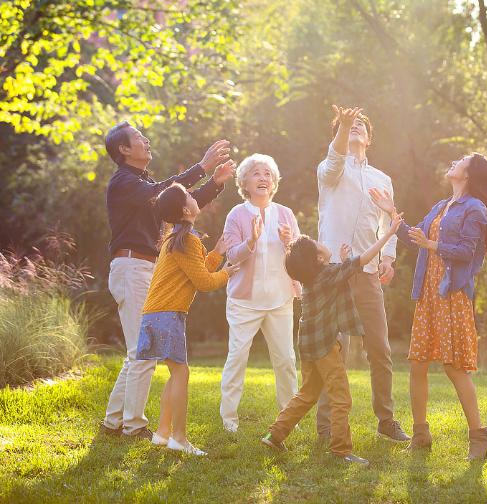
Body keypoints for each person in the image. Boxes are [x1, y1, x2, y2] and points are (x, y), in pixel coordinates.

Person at [101, 121, 235, 439]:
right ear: (123, 149)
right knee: (142, 351)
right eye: (138, 138)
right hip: (132, 268)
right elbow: (166, 194)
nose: (146, 141)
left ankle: (113, 421)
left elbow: (178, 208)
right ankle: (133, 426)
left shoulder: (141, 184)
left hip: (143, 269)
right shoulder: (124, 182)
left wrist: (213, 183)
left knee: (137, 351)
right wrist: (201, 166)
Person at [369, 152, 487, 460]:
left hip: (451, 295)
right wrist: (391, 212)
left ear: (469, 174)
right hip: (428, 295)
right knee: (417, 364)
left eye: (461, 161)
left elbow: (468, 252)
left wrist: (433, 246)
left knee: (454, 368)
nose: (454, 162)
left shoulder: (476, 209)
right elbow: (412, 237)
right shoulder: (441, 207)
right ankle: (421, 434)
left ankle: (479, 439)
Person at [260, 210, 403, 466]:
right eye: (317, 243)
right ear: (317, 257)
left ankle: (274, 434)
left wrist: (346, 259)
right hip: (325, 346)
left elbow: (341, 271)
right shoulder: (325, 275)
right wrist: (389, 234)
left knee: (307, 393)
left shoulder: (317, 276)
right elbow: (362, 260)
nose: (321, 243)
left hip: (308, 345)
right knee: (341, 396)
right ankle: (341, 450)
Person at [316, 106, 409, 442]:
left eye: (359, 126)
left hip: (368, 272)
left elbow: (388, 221)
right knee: (333, 350)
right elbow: (335, 159)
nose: (354, 128)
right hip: (333, 273)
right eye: (347, 125)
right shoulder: (329, 170)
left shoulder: (382, 180)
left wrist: (388, 256)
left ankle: (386, 421)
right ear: (339, 133)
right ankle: (326, 427)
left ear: (369, 138)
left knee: (380, 350)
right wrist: (342, 126)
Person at [136, 183, 240, 455]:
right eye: (190, 196)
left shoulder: (176, 239)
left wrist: (216, 253)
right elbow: (204, 283)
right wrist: (227, 272)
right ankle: (179, 438)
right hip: (167, 314)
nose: (195, 198)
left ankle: (162, 433)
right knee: (181, 372)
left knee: (175, 373)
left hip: (156, 314)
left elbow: (196, 271)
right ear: (185, 209)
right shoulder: (186, 240)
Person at [220, 154, 300, 432]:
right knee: (237, 356)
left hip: (280, 300)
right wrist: (251, 241)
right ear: (245, 182)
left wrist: (291, 243)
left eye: (268, 173)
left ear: (274, 181)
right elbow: (231, 255)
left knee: (286, 360)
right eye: (256, 173)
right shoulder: (236, 214)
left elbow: (299, 257)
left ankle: (290, 419)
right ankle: (229, 419)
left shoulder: (286, 214)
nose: (263, 177)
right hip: (245, 302)